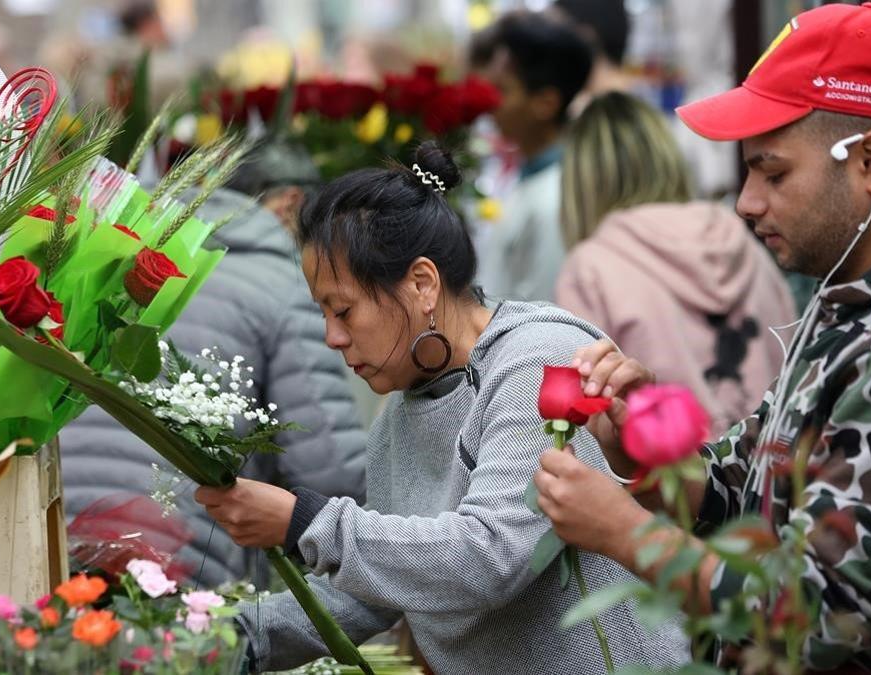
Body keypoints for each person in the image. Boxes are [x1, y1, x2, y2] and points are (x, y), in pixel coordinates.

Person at [534, 4, 871, 672]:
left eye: (773, 172)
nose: (746, 202)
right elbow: (739, 492)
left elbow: (816, 619)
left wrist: (622, 529)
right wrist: (642, 441)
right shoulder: (846, 306)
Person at [193, 142, 688, 672]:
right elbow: (378, 591)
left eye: (343, 310)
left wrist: (303, 523)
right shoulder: (398, 419)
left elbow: (491, 553)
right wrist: (237, 636)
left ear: (421, 284)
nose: (332, 337)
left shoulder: (534, 361)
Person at [61, 141, 367, 589]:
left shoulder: (112, 253)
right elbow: (329, 469)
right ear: (291, 204)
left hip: (55, 529)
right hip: (177, 554)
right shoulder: (280, 283)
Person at [554, 91, 795, 436]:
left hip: (671, 482)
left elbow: (588, 416)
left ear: (580, 181)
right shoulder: (746, 244)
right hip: (774, 471)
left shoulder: (589, 270)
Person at [469, 11, 592, 303]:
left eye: (502, 90)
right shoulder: (527, 173)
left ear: (545, 103)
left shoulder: (557, 200)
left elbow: (547, 312)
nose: (489, 102)